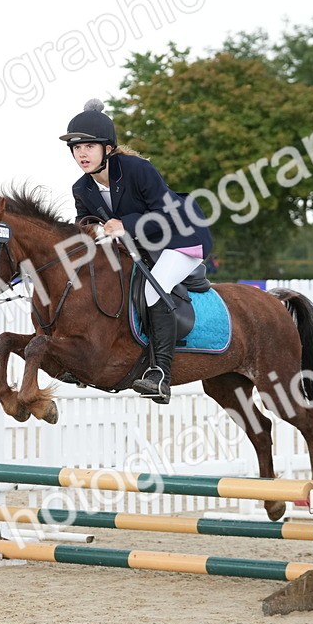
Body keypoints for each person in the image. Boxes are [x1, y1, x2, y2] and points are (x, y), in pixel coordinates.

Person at [61, 98, 213, 403]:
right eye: (76, 148)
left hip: (181, 238)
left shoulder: (138, 169)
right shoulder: (81, 188)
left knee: (153, 291)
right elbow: (86, 225)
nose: (82, 154)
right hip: (141, 246)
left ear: (107, 148)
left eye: (89, 146)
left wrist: (125, 224)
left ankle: (160, 374)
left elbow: (167, 213)